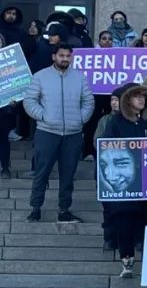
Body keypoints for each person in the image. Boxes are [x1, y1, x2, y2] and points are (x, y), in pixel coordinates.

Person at [23, 43, 94, 223]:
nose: (65, 59)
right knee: (41, 172)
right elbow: (30, 100)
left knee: (68, 175)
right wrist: (43, 116)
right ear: (54, 56)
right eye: (61, 55)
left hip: (73, 134)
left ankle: (64, 209)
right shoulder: (41, 76)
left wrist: (80, 119)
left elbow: (88, 102)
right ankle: (35, 208)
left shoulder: (79, 78)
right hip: (47, 133)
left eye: (68, 56)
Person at [101, 83, 147, 277]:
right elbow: (108, 151)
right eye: (136, 96)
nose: (141, 99)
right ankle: (127, 261)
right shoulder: (115, 122)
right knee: (124, 222)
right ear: (127, 100)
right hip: (125, 185)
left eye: (144, 96)